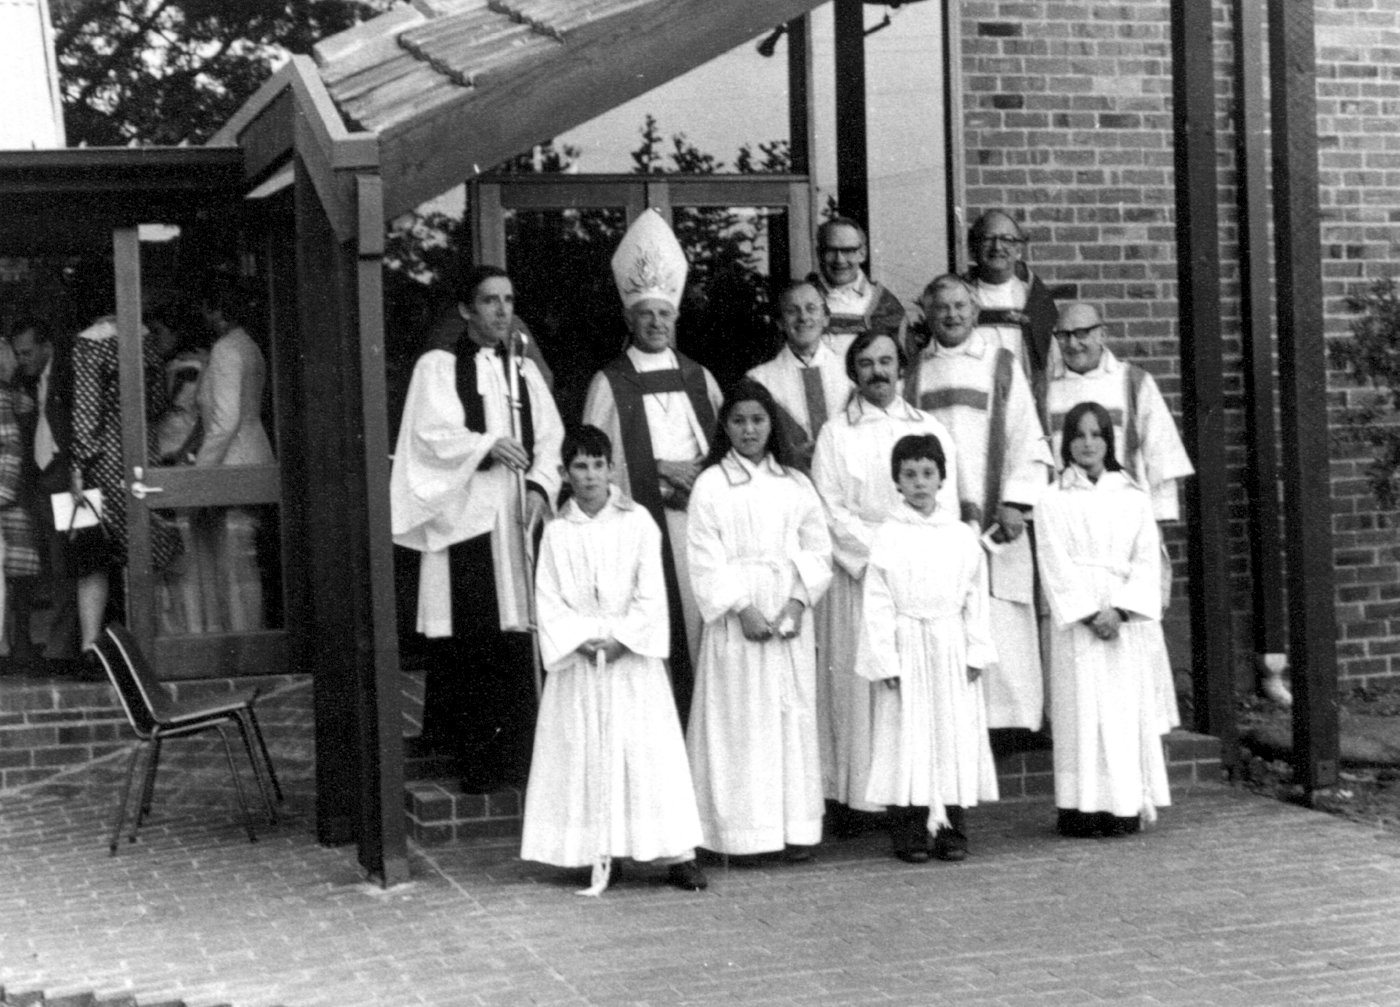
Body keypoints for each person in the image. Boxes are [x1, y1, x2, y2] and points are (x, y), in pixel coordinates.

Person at [391, 264, 564, 793]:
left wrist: (538, 486)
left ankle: (522, 757)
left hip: (517, 523)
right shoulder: (438, 367)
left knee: (518, 636)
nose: (502, 310)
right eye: (489, 301)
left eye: (509, 300)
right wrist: (485, 446)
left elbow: (551, 439)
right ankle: (478, 762)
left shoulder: (526, 372)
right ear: (466, 310)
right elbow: (428, 437)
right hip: (468, 521)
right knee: (475, 639)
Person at [520, 425, 707, 893]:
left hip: (630, 657)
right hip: (582, 657)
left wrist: (623, 639)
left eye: (597, 465)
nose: (589, 476)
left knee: (646, 754)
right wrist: (581, 639)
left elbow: (651, 593)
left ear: (610, 468)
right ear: (565, 473)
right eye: (579, 467)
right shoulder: (558, 532)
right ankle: (599, 848)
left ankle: (676, 852)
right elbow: (548, 598)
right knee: (588, 750)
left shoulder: (639, 522)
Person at [810, 330, 960, 835]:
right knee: (860, 691)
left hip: (919, 586)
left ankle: (916, 799)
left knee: (914, 698)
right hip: (861, 581)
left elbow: (948, 506)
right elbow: (827, 510)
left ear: (902, 368)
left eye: (887, 361)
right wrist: (887, 552)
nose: (878, 372)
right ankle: (859, 800)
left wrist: (911, 556)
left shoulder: (928, 427)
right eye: (867, 363)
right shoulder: (836, 433)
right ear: (853, 372)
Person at [582, 209, 723, 724]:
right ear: (629, 319)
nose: (656, 322)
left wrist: (697, 479)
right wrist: (660, 471)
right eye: (646, 314)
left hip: (697, 530)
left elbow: (725, 450)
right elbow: (594, 462)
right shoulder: (609, 382)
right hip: (641, 529)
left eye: (664, 313)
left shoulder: (698, 377)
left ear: (676, 317)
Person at [686, 379, 833, 860]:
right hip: (739, 616)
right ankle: (739, 834)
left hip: (787, 611)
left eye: (758, 420)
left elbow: (818, 549)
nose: (749, 430)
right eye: (738, 420)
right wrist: (742, 608)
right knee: (740, 723)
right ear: (724, 426)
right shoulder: (710, 484)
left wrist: (795, 603)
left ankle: (793, 829)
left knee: (787, 719)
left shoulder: (795, 482)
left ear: (772, 425)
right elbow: (704, 557)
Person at [904, 274, 1054, 731]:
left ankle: (1010, 723)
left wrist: (1015, 500)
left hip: (995, 515)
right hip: (940, 516)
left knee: (1002, 616)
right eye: (941, 307)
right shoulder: (913, 373)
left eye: (959, 306)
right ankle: (959, 721)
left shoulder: (1001, 364)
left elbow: (1027, 437)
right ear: (927, 315)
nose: (950, 315)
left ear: (975, 311)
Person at [1045, 301, 1195, 729]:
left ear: (1102, 333)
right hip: (1073, 531)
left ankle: (1140, 728)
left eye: (1083, 333)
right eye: (1064, 336)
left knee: (1132, 634)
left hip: (1126, 530)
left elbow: (1161, 456)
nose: (1073, 344)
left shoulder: (1132, 381)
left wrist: (1158, 523)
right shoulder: (1047, 388)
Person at [857, 433, 996, 863]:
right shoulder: (888, 536)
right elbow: (877, 601)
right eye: (910, 474)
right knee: (907, 736)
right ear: (897, 481)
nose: (919, 483)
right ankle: (910, 828)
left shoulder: (959, 535)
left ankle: (953, 827)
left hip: (950, 643)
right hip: (907, 645)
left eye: (928, 474)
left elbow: (976, 595)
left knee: (950, 733)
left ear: (942, 478)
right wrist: (885, 659)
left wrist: (976, 651)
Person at [1035, 401, 1172, 838]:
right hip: (1079, 622)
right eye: (1079, 435)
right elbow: (1052, 561)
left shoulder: (1132, 495)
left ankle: (1123, 806)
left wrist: (1121, 610)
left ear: (1109, 441)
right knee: (1080, 712)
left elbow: (1147, 560)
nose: (1088, 443)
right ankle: (1079, 809)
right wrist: (1091, 613)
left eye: (1097, 434)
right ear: (1066, 443)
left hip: (1123, 622)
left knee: (1120, 712)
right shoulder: (1052, 498)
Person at [70, 314, 181, 652]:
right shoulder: (144, 338)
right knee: (142, 545)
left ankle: (92, 646)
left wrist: (77, 467)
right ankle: (148, 639)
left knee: (93, 555)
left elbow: (87, 413)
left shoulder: (90, 343)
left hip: (103, 460)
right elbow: (158, 402)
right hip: (142, 450)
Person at [192, 276, 277, 634]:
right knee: (243, 560)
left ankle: (243, 639)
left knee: (233, 562)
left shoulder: (227, 349)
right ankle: (245, 633)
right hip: (252, 451)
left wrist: (200, 474)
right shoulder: (249, 345)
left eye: (206, 309)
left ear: (217, 311)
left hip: (233, 460)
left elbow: (225, 420)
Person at [12, 318, 80, 674]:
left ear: (46, 347)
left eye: (26, 352)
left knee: (72, 563)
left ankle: (63, 651)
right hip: (42, 480)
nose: (21, 359)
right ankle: (59, 647)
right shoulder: (28, 380)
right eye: (17, 354)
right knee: (54, 566)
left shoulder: (68, 374)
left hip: (70, 479)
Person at [746, 279, 854, 473]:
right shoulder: (758, 381)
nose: (803, 317)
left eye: (811, 308)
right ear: (780, 322)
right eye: (792, 311)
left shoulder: (851, 374)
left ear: (826, 317)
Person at [962, 210, 1059, 420]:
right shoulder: (959, 299)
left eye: (1007, 239)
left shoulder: (1034, 300)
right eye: (988, 239)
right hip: (974, 409)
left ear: (1019, 249)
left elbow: (1051, 367)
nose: (998, 247)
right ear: (973, 249)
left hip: (1023, 413)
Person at [807, 216, 908, 354]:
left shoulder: (884, 304)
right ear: (819, 254)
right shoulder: (801, 300)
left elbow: (904, 364)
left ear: (863, 253)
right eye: (831, 250)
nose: (840, 260)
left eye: (848, 250)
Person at [0, 338, 39, 673]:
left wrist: (2, 493)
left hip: (6, 500)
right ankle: (16, 644)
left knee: (15, 574)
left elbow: (11, 447)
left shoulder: (4, 397)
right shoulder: (15, 396)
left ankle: (16, 645)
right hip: (13, 496)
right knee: (17, 575)